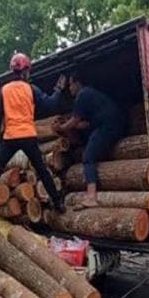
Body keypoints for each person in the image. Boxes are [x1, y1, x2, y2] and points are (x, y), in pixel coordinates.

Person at [0, 53, 66, 221]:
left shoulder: (4, 90)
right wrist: (58, 89)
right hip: (28, 135)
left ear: (12, 71)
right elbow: (51, 104)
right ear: (27, 71)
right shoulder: (31, 89)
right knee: (42, 171)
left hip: (10, 137)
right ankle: (58, 204)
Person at [54, 71, 126, 209]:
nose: (69, 89)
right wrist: (67, 125)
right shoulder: (91, 94)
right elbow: (84, 124)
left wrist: (61, 128)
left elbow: (75, 121)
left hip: (108, 127)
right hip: (116, 125)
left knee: (88, 157)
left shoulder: (83, 94)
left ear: (77, 83)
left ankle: (91, 197)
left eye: (70, 85)